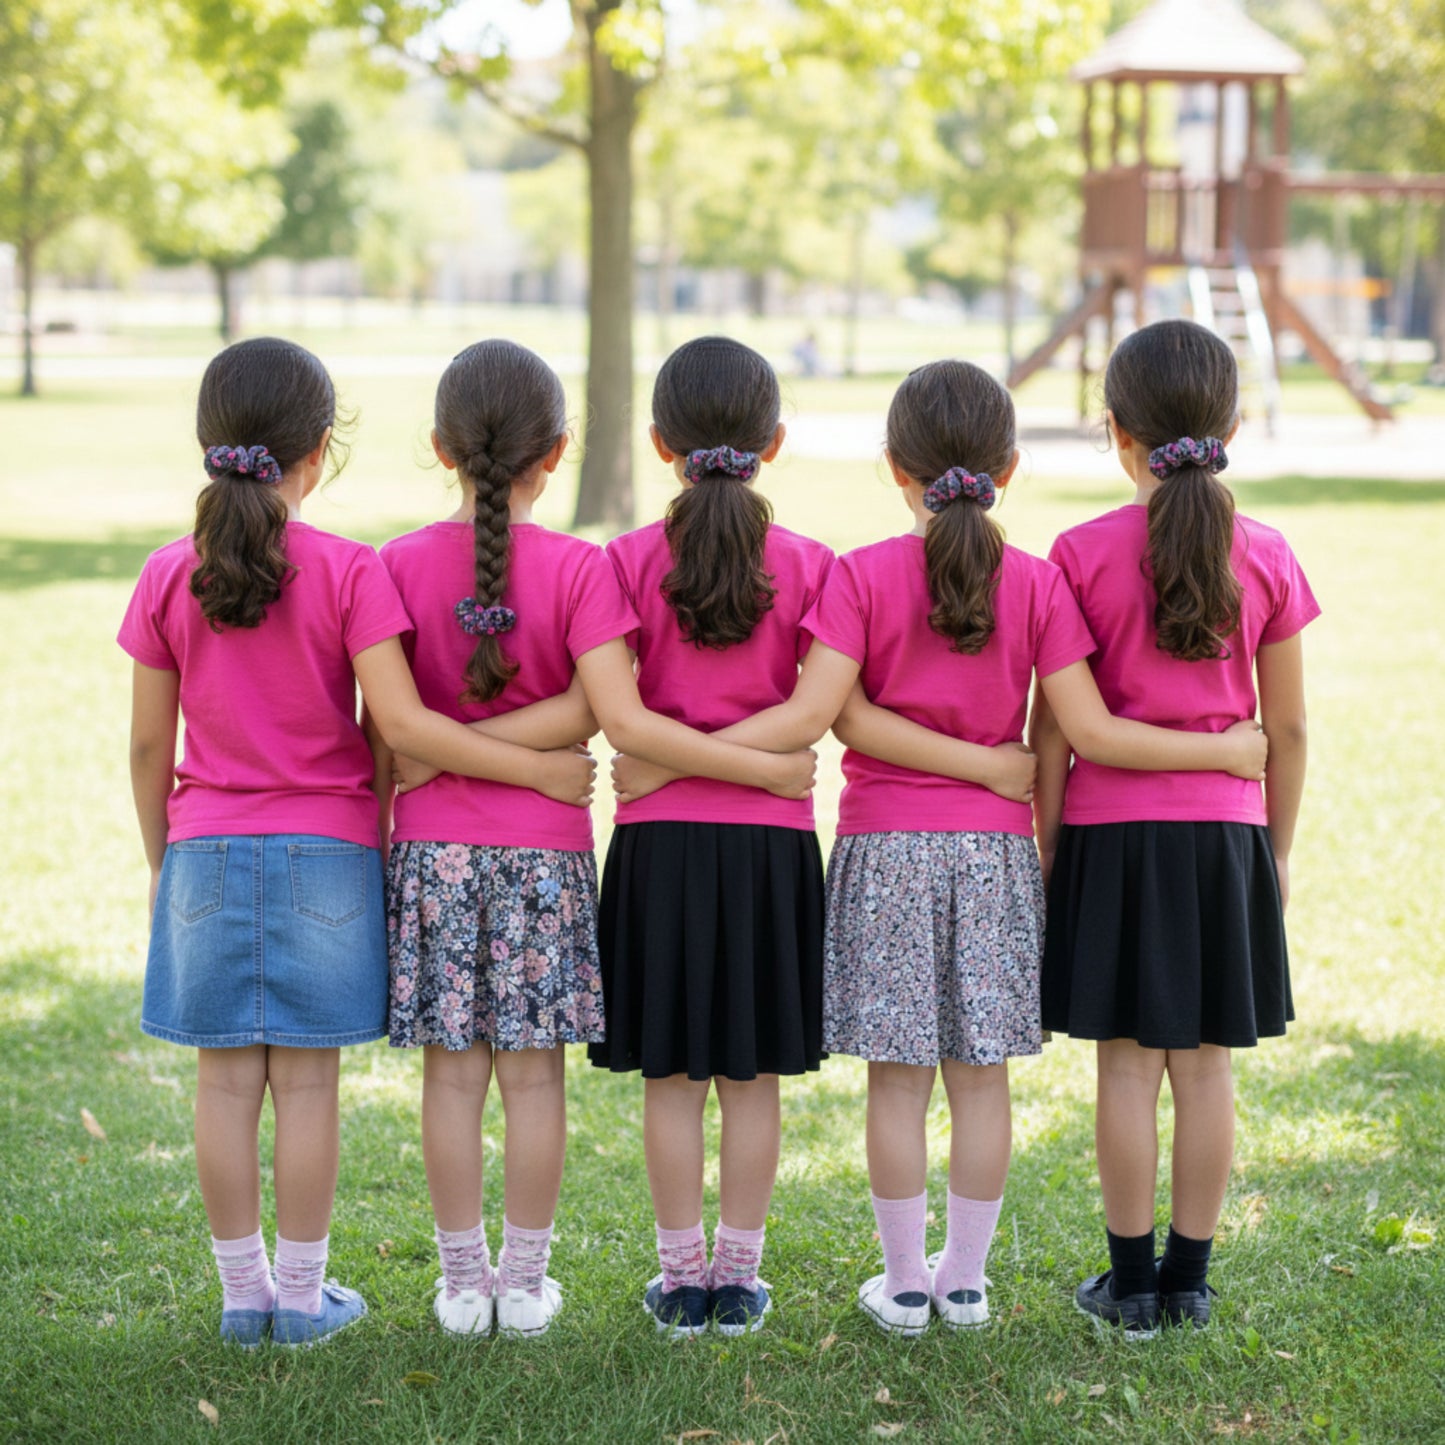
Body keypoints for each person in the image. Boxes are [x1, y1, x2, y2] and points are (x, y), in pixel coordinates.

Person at [613, 358, 1268, 1338]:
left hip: (882, 856)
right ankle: (963, 1282)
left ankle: (902, 1283)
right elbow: (1063, 726)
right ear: (1007, 469)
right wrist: (999, 772)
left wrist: (671, 763)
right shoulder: (1037, 580)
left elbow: (839, 716)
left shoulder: (860, 574)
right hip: (993, 860)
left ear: (894, 466)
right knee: (979, 1077)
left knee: (897, 1078)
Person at [121, 337, 595, 1350]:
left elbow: (150, 745)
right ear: (319, 448)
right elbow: (397, 729)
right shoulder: (346, 570)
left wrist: (166, 857)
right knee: (307, 1085)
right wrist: (515, 776)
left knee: (222, 1084)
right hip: (328, 858)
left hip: (205, 851)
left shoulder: (166, 573)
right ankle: (302, 1298)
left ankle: (243, 1298)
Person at [381, 338, 817, 1341]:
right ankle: (569, 1285)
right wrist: (533, 765)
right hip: (580, 856)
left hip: (474, 854)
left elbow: (401, 731)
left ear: (441, 447)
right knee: (564, 1077)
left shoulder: (407, 564)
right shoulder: (587, 567)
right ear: (559, 449)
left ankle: (471, 1287)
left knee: (459, 1075)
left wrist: (441, 751)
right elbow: (596, 711)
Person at [1033, 319, 1317, 1340]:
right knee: (1204, 1066)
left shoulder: (1076, 554)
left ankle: (1128, 1285)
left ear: (1116, 431)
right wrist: (1272, 852)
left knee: (1123, 1064)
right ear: (1229, 426)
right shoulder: (1267, 552)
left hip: (1110, 844)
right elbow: (1286, 729)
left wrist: (1049, 850)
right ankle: (1187, 1283)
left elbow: (1051, 732)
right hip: (1222, 843)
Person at [587, 336, 838, 1337]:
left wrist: (670, 765)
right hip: (769, 854)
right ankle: (737, 1278)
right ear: (772, 443)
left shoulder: (621, 561)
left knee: (672, 1077)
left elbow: (622, 729)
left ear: (660, 443)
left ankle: (679, 1278)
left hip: (659, 850)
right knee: (750, 1074)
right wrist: (758, 768)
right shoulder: (812, 565)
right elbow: (808, 722)